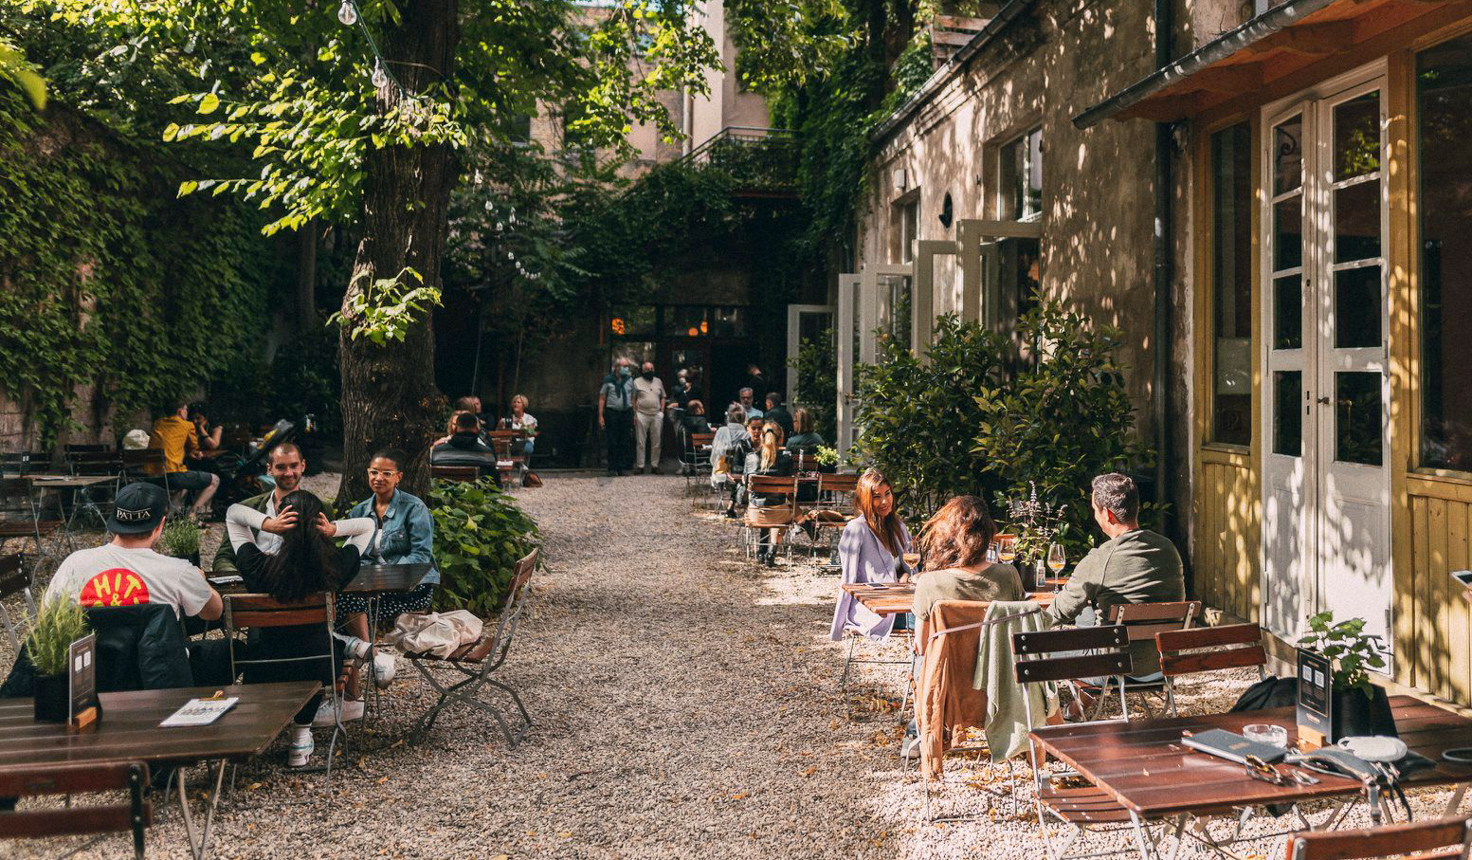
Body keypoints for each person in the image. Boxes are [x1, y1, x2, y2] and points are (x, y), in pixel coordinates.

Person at [224, 491, 375, 766]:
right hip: (320, 666)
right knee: (315, 647)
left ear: (282, 524)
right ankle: (300, 737)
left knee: (284, 648)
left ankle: (347, 645)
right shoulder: (334, 568)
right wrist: (334, 529)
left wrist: (268, 524)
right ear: (320, 523)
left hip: (263, 668)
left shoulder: (257, 567)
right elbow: (368, 526)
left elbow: (233, 513)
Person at [1048, 473, 1184, 711]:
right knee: (1087, 615)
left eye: (1095, 510)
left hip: (1113, 667)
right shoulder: (1168, 549)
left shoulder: (1101, 559)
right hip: (1162, 664)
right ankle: (1078, 708)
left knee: (1036, 649)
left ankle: (1053, 717)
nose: (1094, 515)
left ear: (1107, 515)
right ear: (1136, 507)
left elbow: (1058, 612)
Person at [336, 450, 438, 705]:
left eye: (386, 473)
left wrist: (382, 577)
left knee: (347, 609)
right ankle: (372, 661)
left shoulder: (414, 508)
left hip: (411, 589)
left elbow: (421, 556)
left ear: (398, 477)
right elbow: (354, 556)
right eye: (374, 472)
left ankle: (357, 687)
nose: (378, 477)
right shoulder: (359, 511)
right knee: (339, 611)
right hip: (372, 589)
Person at [45, 482, 223, 624]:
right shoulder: (178, 570)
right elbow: (214, 613)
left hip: (94, 658)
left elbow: (50, 614)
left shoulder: (75, 562)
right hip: (154, 659)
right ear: (160, 524)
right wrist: (201, 580)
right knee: (229, 647)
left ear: (114, 521)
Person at [910, 496, 1024, 624]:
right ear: (988, 534)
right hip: (997, 638)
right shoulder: (1008, 575)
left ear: (946, 537)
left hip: (948, 638)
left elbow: (921, 637)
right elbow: (1019, 624)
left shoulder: (929, 582)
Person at [212, 443, 322, 575]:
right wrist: (236, 579)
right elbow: (224, 557)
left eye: (294, 466)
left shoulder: (319, 508)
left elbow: (325, 558)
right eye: (281, 467)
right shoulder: (247, 507)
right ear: (269, 469)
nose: (288, 473)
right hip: (251, 579)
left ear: (303, 466)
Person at [830, 469, 914, 641]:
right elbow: (848, 579)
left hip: (904, 603)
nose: (884, 501)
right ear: (865, 499)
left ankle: (920, 659)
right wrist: (838, 627)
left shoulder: (899, 527)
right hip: (873, 610)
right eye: (876, 497)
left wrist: (906, 576)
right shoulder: (856, 529)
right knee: (932, 621)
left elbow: (910, 568)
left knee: (938, 616)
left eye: (887, 493)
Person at [148, 400, 220, 516]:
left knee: (186, 478)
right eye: (186, 410)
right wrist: (194, 452)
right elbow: (194, 447)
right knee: (215, 480)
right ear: (180, 411)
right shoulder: (187, 425)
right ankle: (192, 514)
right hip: (172, 475)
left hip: (152, 475)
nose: (187, 412)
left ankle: (171, 513)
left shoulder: (157, 423)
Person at [744, 421, 795, 567]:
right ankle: (772, 549)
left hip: (755, 514)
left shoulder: (751, 458)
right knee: (786, 508)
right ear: (781, 439)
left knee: (766, 503)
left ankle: (762, 551)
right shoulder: (786, 460)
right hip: (779, 514)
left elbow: (745, 484)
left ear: (761, 437)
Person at [598, 358, 635, 476]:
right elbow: (602, 398)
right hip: (612, 413)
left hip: (626, 412)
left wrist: (634, 414)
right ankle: (612, 468)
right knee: (612, 440)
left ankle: (621, 467)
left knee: (624, 440)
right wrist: (600, 416)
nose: (626, 369)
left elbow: (633, 398)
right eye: (624, 366)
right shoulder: (608, 380)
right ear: (617, 367)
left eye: (627, 366)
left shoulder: (629, 380)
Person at [430, 412, 497, 475]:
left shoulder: (438, 452)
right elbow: (494, 480)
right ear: (477, 429)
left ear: (455, 429)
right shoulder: (486, 453)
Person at [631, 361, 666, 474]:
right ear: (643, 371)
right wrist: (635, 413)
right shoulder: (636, 382)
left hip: (656, 415)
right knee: (641, 441)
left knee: (656, 441)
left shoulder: (658, 381)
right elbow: (633, 399)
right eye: (647, 369)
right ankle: (640, 466)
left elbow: (663, 396)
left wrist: (662, 411)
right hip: (641, 414)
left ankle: (654, 466)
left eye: (651, 369)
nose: (650, 371)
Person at [709, 404, 747, 492]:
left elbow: (715, 452)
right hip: (741, 471)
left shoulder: (721, 431)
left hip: (721, 470)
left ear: (728, 417)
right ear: (744, 418)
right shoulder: (746, 434)